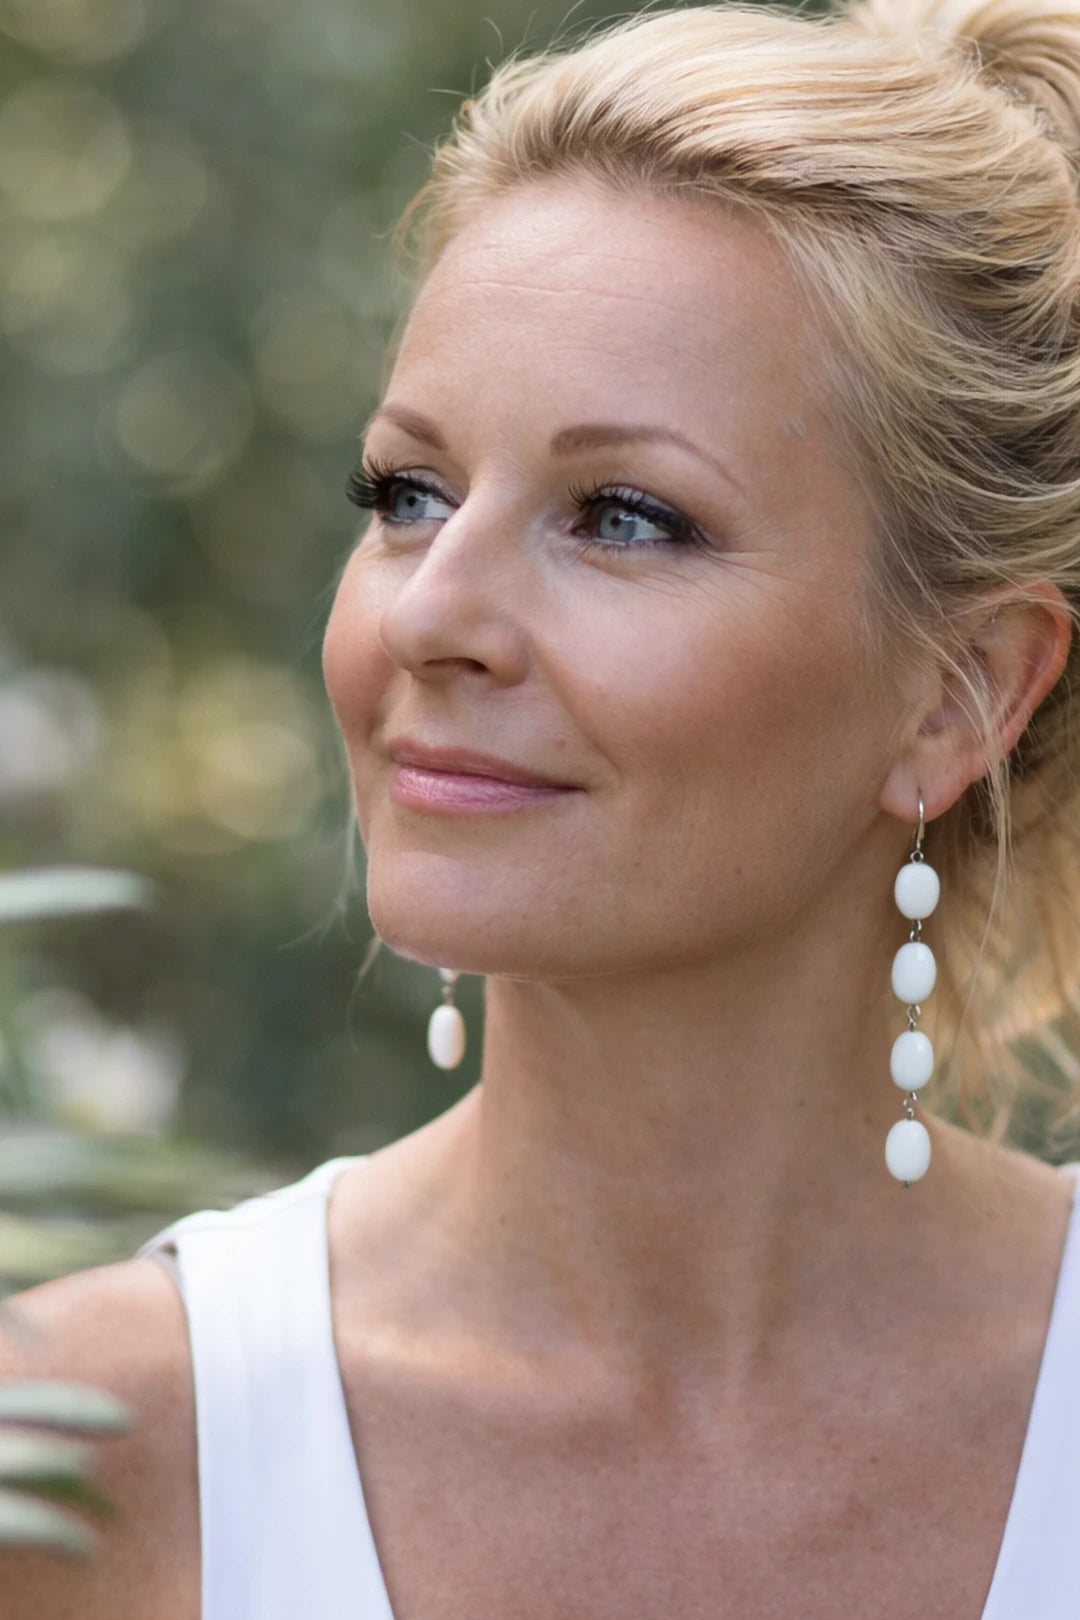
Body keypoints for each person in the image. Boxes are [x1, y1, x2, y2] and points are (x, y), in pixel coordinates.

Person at [6, 0, 1080, 1613]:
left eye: (623, 517)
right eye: (408, 493)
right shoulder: (95, 1452)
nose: (431, 613)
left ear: (959, 695)